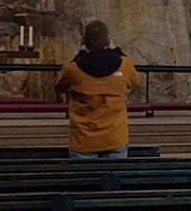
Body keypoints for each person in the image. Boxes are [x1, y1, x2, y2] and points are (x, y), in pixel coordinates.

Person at [53, 20, 140, 158]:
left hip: (84, 140)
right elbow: (135, 81)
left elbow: (59, 86)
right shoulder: (124, 66)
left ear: (83, 41)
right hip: (114, 137)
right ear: (108, 41)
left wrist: (79, 55)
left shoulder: (73, 69)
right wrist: (117, 51)